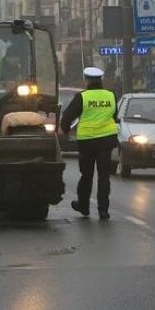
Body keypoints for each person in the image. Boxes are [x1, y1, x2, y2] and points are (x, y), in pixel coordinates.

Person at [60, 66, 119, 220]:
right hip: (106, 141)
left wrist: (64, 132)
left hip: (87, 142)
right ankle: (103, 210)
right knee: (104, 176)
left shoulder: (82, 97)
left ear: (87, 80)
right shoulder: (111, 95)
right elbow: (115, 115)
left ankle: (84, 206)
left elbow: (67, 117)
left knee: (86, 175)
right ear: (101, 80)